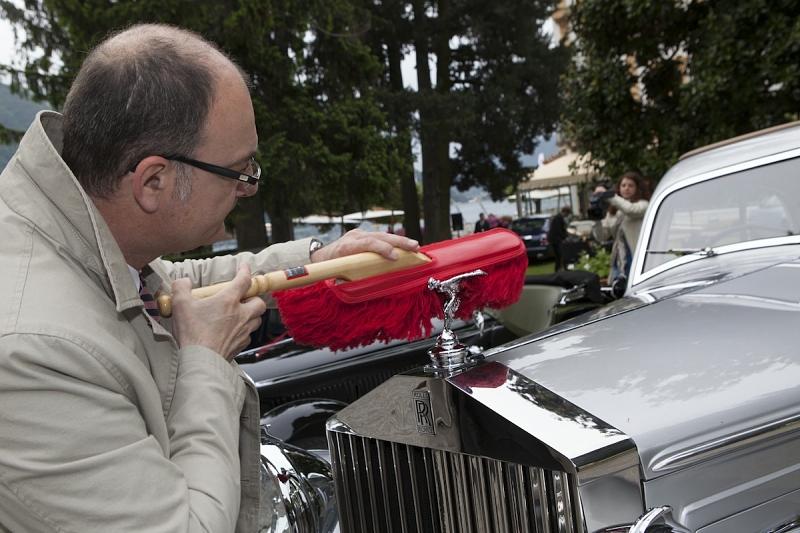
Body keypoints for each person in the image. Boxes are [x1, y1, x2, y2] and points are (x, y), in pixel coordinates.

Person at [0, 24, 419, 532]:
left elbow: (168, 284)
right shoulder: (35, 351)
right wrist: (207, 360)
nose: (248, 189)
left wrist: (318, 258)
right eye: (239, 171)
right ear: (153, 181)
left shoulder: (71, 235)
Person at [593, 171, 650, 283]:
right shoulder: (614, 210)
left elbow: (630, 210)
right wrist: (597, 220)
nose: (626, 188)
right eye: (623, 185)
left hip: (637, 258)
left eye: (630, 185)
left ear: (638, 188)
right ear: (619, 188)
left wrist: (609, 195)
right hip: (619, 261)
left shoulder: (643, 204)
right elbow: (602, 236)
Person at [547, 206, 572, 271]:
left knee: (558, 256)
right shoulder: (558, 218)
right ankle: (559, 269)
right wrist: (565, 236)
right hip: (555, 240)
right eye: (567, 214)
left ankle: (558, 269)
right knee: (560, 255)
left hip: (555, 239)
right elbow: (559, 230)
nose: (567, 216)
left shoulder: (558, 217)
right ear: (565, 212)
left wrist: (565, 234)